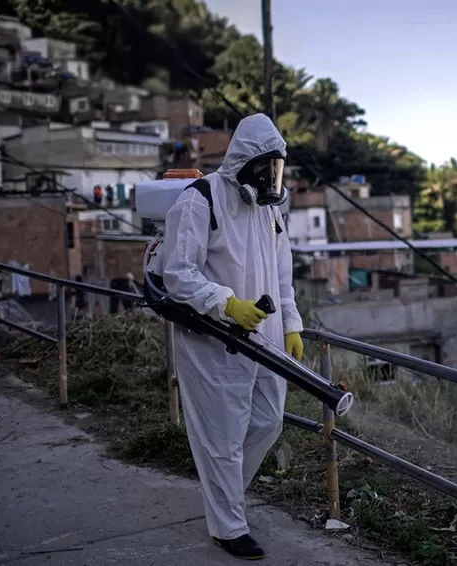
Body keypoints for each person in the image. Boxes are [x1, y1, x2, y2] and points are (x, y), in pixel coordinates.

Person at [159, 113, 304, 560]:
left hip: (266, 336)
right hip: (214, 338)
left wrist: (293, 322)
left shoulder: (269, 211)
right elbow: (177, 273)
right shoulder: (199, 201)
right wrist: (225, 303)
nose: (268, 178)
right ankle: (228, 527)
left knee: (267, 421)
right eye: (262, 168)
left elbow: (283, 275)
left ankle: (223, 500)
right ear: (243, 161)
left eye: (274, 169)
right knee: (223, 434)